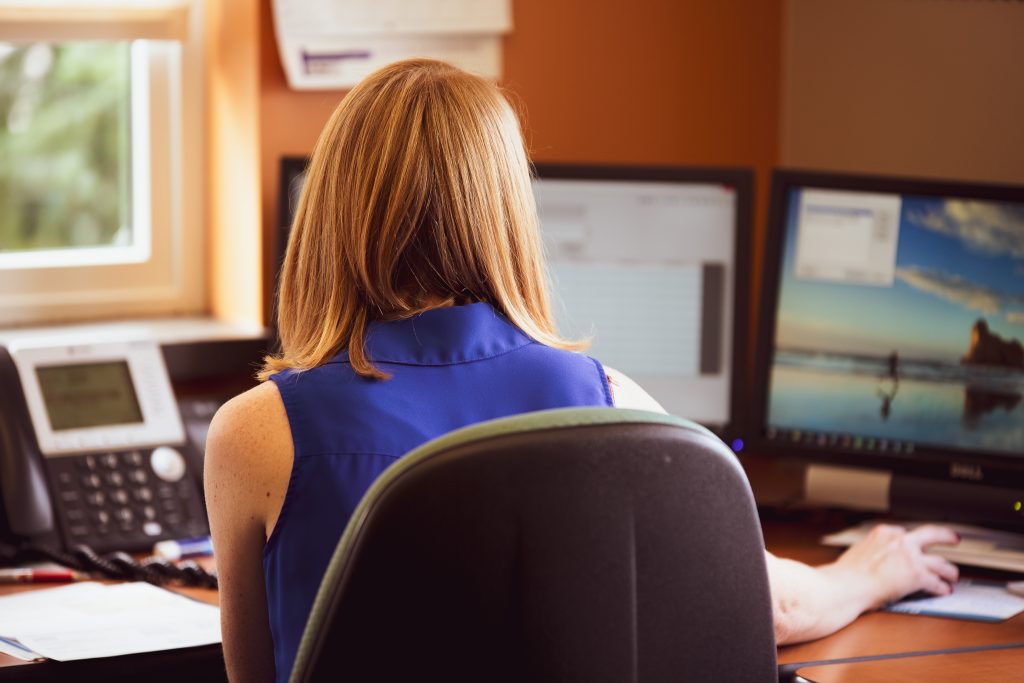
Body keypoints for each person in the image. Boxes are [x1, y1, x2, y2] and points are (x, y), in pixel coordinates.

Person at [204, 59, 960, 683]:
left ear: (328, 219)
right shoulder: (614, 407)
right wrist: (866, 574)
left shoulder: (254, 434)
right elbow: (769, 605)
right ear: (507, 212)